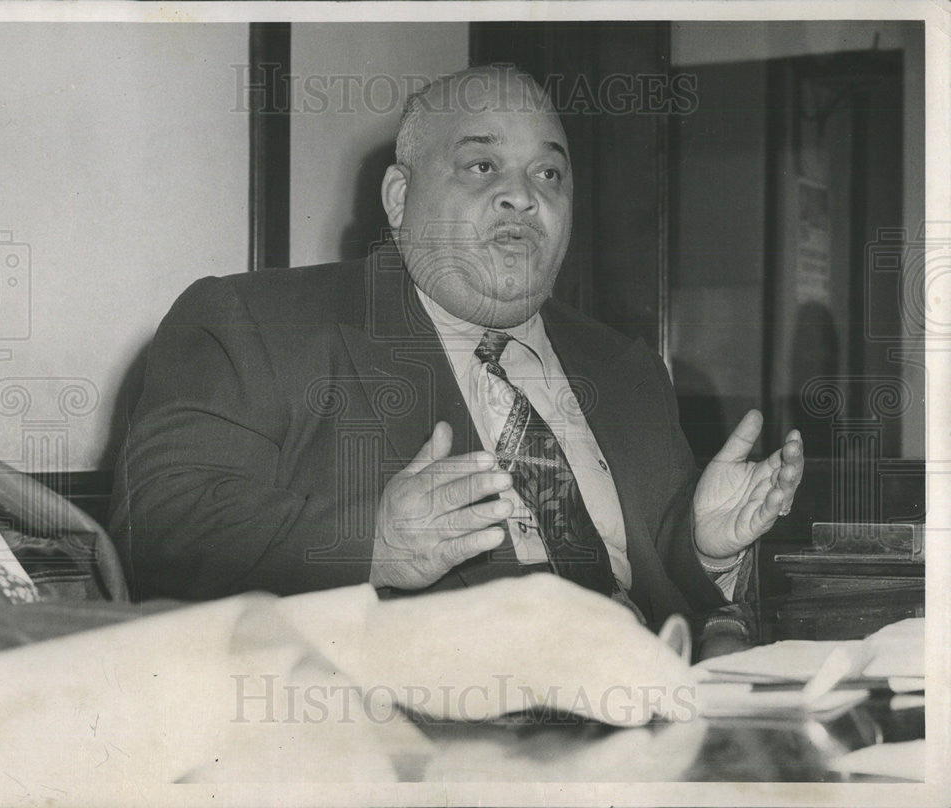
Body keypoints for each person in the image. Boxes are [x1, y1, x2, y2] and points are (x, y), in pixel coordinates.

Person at [109, 65, 803, 626]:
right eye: (481, 167)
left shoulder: (627, 370)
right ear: (398, 197)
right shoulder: (253, 324)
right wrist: (373, 546)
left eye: (548, 174)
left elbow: (652, 581)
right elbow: (158, 533)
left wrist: (704, 547)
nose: (522, 197)